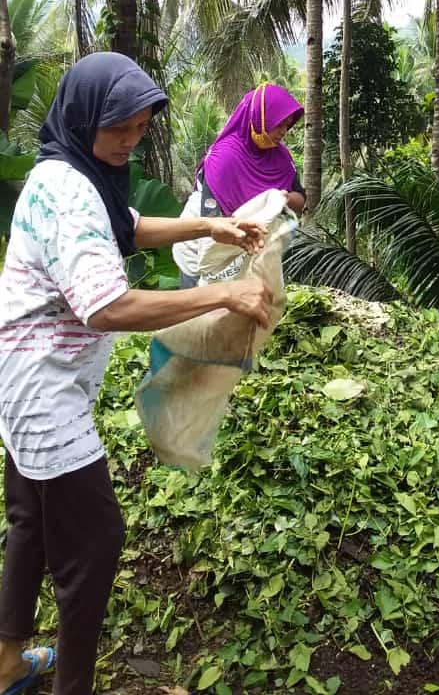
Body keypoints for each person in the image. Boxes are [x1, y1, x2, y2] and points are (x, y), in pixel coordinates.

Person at [0, 53, 274, 695]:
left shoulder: (71, 170)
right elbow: (109, 307)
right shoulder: (69, 191)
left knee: (32, 523)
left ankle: (7, 662)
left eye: (141, 126)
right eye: (117, 127)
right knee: (94, 543)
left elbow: (124, 228)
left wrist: (212, 224)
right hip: (44, 392)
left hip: (22, 377)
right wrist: (224, 295)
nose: (129, 140)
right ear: (82, 117)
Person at [174, 83, 305, 287]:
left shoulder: (281, 158)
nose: (284, 131)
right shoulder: (225, 157)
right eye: (279, 124)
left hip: (245, 251)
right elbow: (212, 223)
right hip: (203, 249)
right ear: (262, 118)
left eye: (287, 125)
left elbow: (300, 199)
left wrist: (283, 198)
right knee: (199, 312)